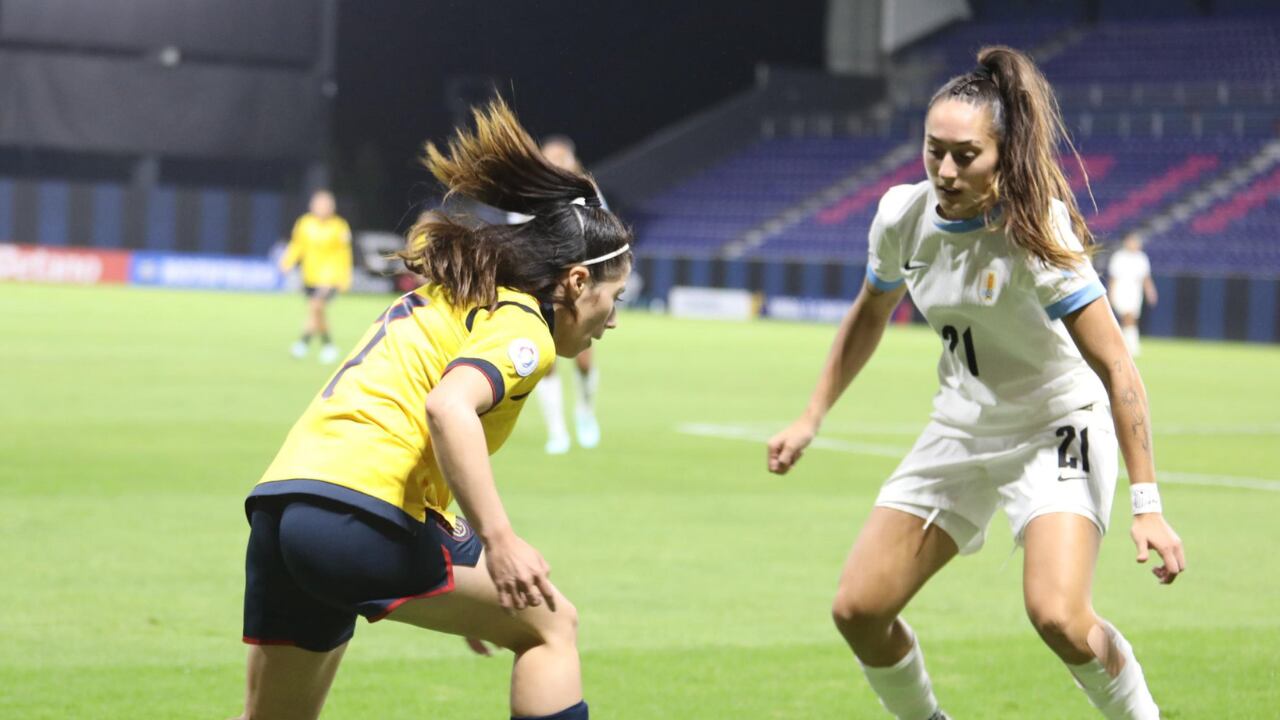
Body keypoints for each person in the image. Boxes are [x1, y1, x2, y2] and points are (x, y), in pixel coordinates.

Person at [767, 47, 1184, 720]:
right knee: (859, 609)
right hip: (961, 426)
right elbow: (869, 312)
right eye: (935, 151)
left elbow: (1116, 366)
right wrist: (811, 415)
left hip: (1057, 427)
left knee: (1057, 615)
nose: (945, 170)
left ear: (1004, 152)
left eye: (966, 154)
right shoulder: (902, 215)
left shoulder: (1035, 229)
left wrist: (1148, 503)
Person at [235, 98, 632, 720]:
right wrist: (498, 544)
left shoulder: (456, 294)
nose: (614, 319)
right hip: (359, 516)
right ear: (577, 282)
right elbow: (448, 408)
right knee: (552, 627)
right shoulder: (523, 325)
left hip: (286, 507)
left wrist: (467, 558)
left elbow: (399, 420)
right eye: (616, 297)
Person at [508, 136, 603, 454]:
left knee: (584, 358)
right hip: (543, 282)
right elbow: (516, 237)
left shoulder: (585, 192)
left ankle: (586, 410)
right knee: (545, 359)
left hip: (581, 281)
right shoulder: (526, 193)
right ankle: (557, 431)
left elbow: (602, 231)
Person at [280, 189, 354, 363]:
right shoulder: (304, 223)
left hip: (330, 277)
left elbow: (345, 253)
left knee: (316, 306)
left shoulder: (339, 226)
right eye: (319, 204)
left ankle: (319, 345)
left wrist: (345, 277)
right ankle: (309, 344)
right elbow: (297, 245)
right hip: (310, 276)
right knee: (315, 311)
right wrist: (287, 261)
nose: (322, 208)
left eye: (326, 204)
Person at [1107, 233, 1157, 357]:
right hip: (1121, 291)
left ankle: (1125, 344)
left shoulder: (1141, 258)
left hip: (1135, 292)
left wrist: (1150, 292)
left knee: (1132, 318)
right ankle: (1132, 346)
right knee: (1127, 316)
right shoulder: (1118, 257)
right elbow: (1113, 278)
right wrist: (1111, 294)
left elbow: (1146, 278)